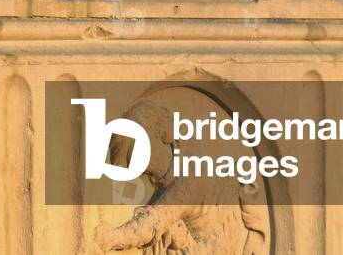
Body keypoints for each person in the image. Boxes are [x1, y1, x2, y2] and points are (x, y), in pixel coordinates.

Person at [93, 100, 269, 255]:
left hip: (222, 243)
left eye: (138, 155)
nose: (139, 170)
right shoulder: (169, 185)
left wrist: (111, 237)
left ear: (164, 134)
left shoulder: (193, 169)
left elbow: (151, 222)